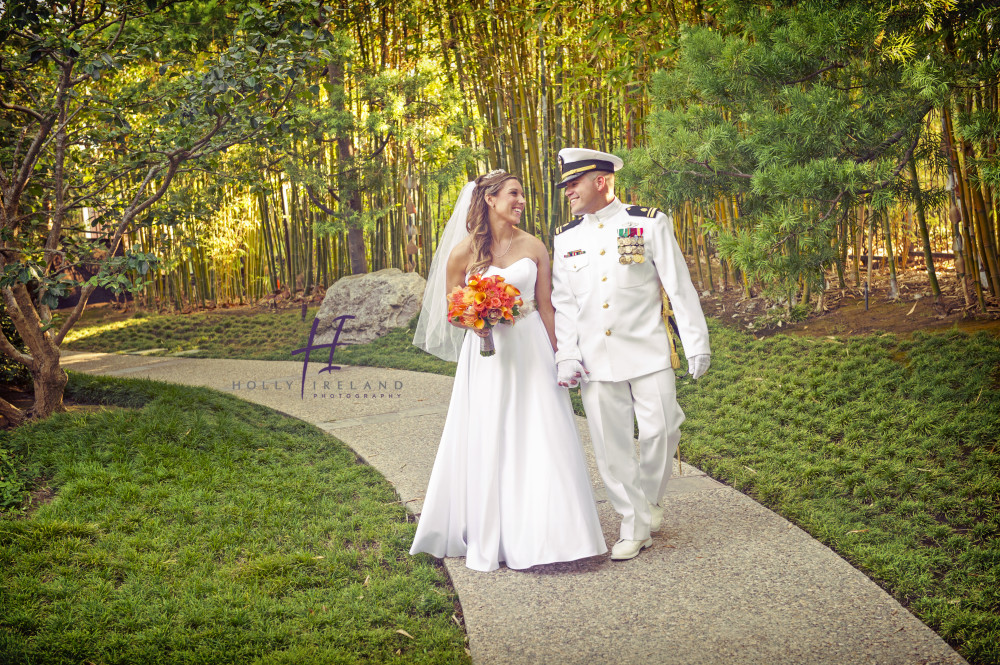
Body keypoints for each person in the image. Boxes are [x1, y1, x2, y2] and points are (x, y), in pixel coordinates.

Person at [410, 169, 607, 572]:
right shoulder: (462, 253)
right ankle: (495, 533)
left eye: (522, 195)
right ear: (490, 199)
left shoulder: (534, 246)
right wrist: (477, 316)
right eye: (514, 194)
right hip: (487, 358)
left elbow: (547, 306)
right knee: (491, 434)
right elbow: (451, 312)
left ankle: (559, 533)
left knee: (542, 433)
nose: (520, 201)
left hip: (530, 348)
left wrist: (562, 354)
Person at [550, 148, 711, 561]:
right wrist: (566, 353)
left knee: (663, 429)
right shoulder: (566, 238)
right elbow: (565, 304)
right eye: (566, 185)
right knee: (610, 445)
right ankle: (634, 522)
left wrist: (696, 343)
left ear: (600, 180)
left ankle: (648, 501)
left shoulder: (648, 223)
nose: (567, 191)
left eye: (574, 183)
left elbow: (678, 284)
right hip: (595, 358)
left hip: (648, 351)